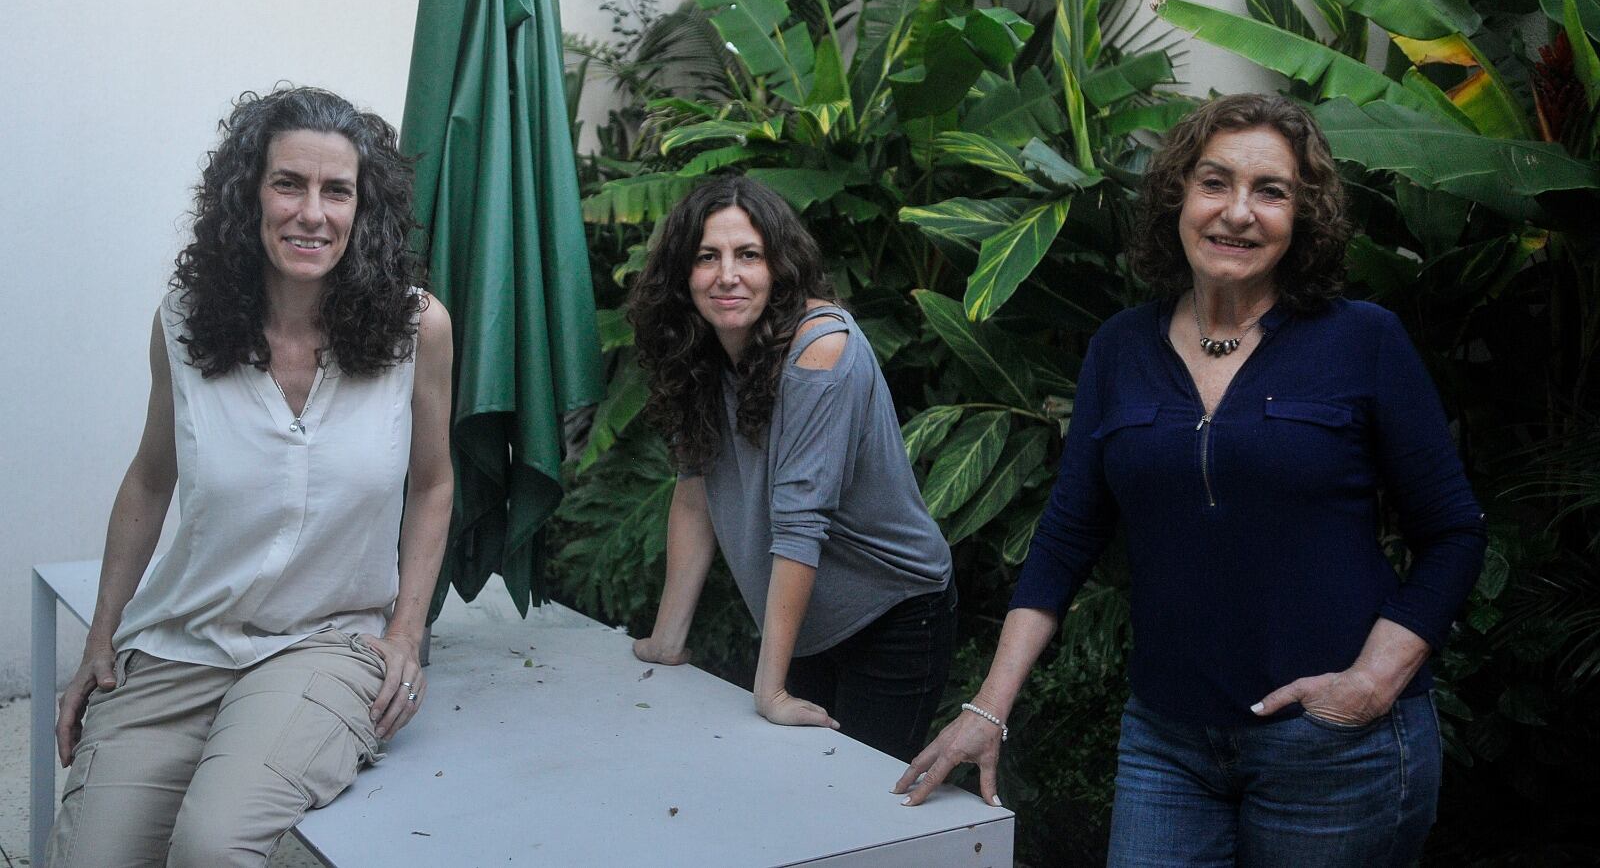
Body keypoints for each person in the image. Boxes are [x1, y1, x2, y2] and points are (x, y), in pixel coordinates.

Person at [896, 94, 1487, 866]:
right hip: (1167, 744)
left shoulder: (1362, 341)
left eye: (1270, 192)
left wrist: (1372, 683)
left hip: (1336, 750)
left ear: (1302, 216)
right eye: (1216, 183)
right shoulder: (1119, 348)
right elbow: (1067, 538)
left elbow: (1452, 531)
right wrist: (988, 707)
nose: (1238, 213)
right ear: (1179, 195)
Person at [48, 87, 454, 868]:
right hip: (181, 642)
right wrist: (100, 636)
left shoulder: (416, 330)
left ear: (362, 209)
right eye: (288, 184)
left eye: (337, 191)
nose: (313, 213)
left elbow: (433, 485)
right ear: (249, 195)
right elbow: (149, 477)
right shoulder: (184, 321)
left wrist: (405, 632)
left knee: (212, 844)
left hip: (326, 641)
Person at [627, 176, 955, 762]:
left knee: (856, 809)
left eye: (748, 255)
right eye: (707, 257)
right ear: (683, 272)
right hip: (803, 620)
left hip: (892, 614)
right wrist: (666, 640)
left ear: (779, 266)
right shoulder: (703, 348)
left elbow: (801, 522)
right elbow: (695, 494)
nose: (727, 275)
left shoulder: (820, 349)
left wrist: (770, 689)